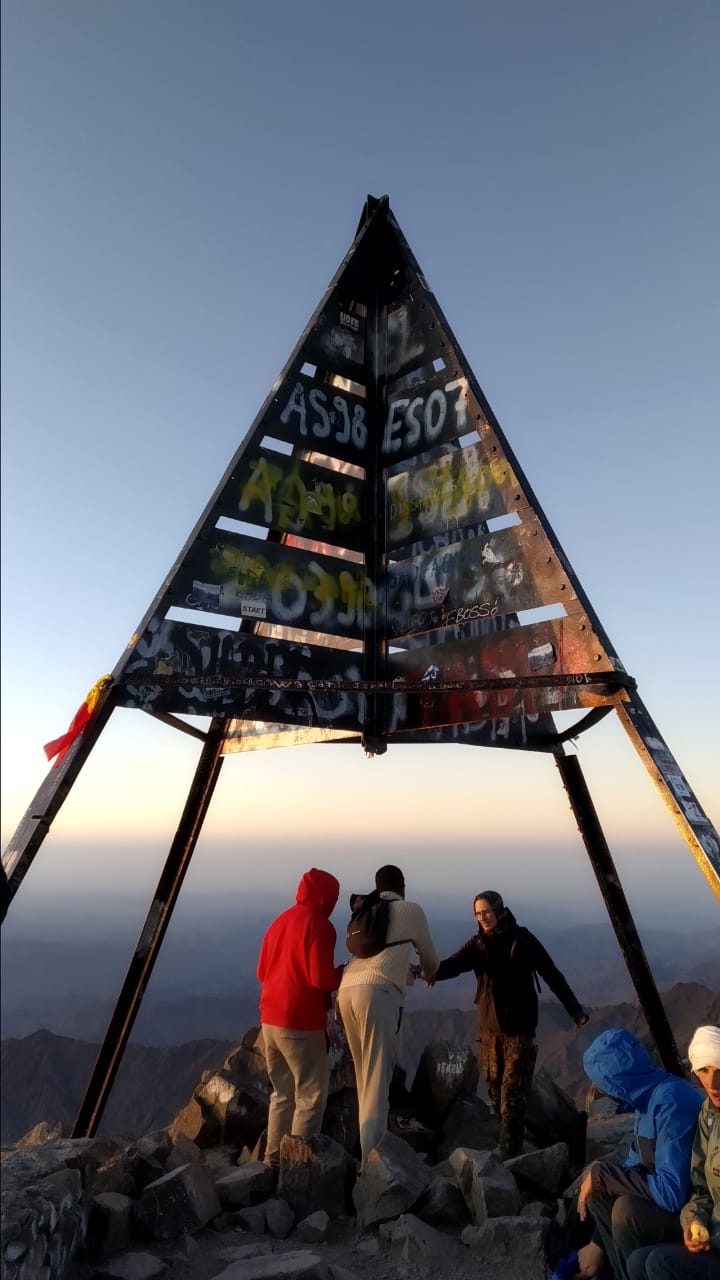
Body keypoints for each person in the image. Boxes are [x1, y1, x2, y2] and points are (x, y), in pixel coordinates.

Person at [423, 889, 588, 1159]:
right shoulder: (478, 944)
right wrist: (428, 972)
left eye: (487, 911)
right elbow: (453, 965)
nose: (483, 918)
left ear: (499, 910)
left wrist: (575, 1010)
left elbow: (552, 974)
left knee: (513, 1092)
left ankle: (509, 1150)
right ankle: (509, 1147)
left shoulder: (523, 940)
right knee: (495, 1091)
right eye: (478, 914)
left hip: (519, 1030)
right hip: (489, 1031)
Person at [576, 1026, 703, 1280]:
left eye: (601, 1082)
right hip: (670, 1205)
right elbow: (634, 1168)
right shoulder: (644, 1102)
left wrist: (603, 1174)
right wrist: (597, 1242)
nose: (598, 1089)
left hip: (694, 1214)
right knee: (597, 1193)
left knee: (626, 1211)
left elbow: (671, 1194)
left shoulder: (671, 1101)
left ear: (616, 1081)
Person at [336, 864, 439, 1168]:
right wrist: (428, 973)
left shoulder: (368, 911)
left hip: (347, 992)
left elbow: (381, 959)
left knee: (363, 1078)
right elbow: (431, 959)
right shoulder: (410, 910)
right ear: (402, 886)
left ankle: (366, 1152)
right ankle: (374, 1167)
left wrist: (406, 973)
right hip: (377, 996)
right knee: (377, 1081)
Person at [256, 867, 345, 1171]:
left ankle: (272, 1162)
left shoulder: (278, 921)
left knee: (282, 1095)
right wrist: (343, 972)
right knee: (310, 1096)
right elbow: (321, 979)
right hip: (300, 1023)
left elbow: (261, 972)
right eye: (333, 898)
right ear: (324, 897)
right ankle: (296, 1170)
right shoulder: (320, 926)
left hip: (269, 1020)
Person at [626, 1024, 720, 1280]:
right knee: (637, 1262)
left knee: (660, 1263)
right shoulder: (709, 1115)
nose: (713, 1083)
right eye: (704, 1070)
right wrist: (694, 1221)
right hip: (712, 1236)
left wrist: (711, 1235)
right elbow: (701, 1189)